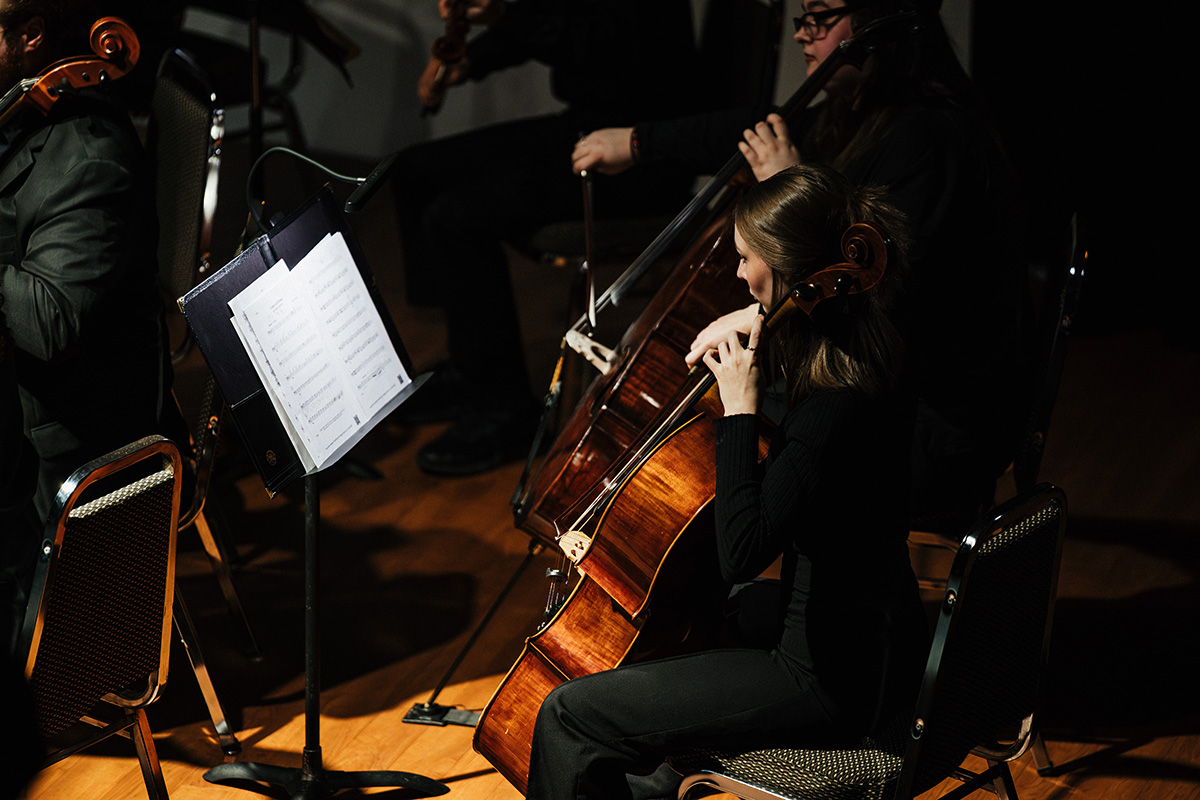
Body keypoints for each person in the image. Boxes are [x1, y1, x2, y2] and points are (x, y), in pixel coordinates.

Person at [524, 163, 929, 799]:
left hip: (826, 677)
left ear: (790, 263)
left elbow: (742, 550)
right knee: (707, 621)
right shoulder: (875, 343)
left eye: (746, 260)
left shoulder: (831, 408)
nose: (738, 276)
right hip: (883, 640)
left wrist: (739, 408)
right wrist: (765, 326)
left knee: (570, 715)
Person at [573, 0, 1028, 529]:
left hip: (927, 423)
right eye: (801, 19)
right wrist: (636, 143)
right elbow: (755, 129)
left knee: (711, 436)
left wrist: (788, 197)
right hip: (879, 392)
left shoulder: (929, 139)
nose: (802, 36)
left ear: (877, 22)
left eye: (820, 18)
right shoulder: (857, 111)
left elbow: (887, 295)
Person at [394, 0, 700, 476]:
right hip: (583, 125)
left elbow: (584, 37)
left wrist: (499, 15)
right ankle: (470, 361)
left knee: (455, 217)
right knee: (414, 171)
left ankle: (505, 410)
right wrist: (472, 59)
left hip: (644, 152)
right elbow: (549, 18)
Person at [0, 0, 183, 522]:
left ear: (31, 36)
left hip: (53, 446)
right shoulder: (18, 107)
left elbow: (50, 323)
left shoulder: (91, 160)